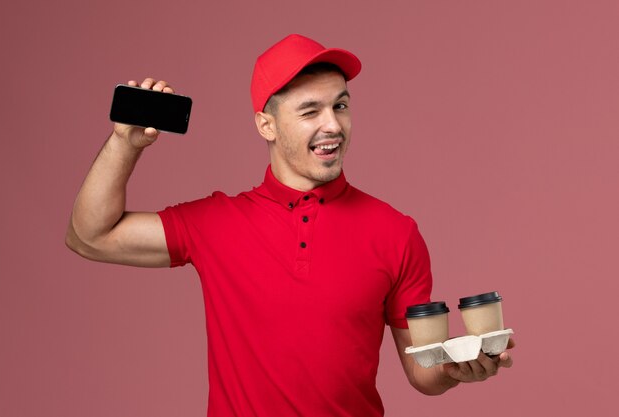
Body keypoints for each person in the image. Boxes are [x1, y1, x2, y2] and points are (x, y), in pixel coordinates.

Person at [66, 34, 514, 417]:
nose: (332, 125)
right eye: (310, 111)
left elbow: (422, 372)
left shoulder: (396, 231)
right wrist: (125, 144)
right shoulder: (215, 223)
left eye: (340, 105)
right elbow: (90, 236)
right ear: (267, 125)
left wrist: (454, 370)